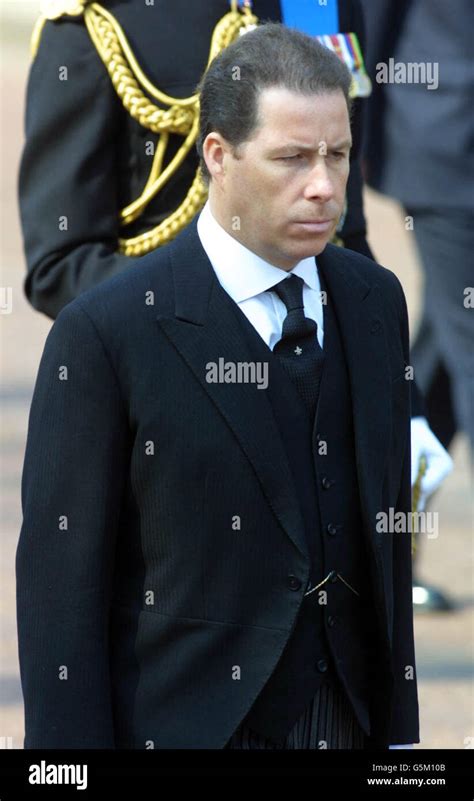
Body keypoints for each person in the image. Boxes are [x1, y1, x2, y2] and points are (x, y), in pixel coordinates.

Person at [16, 23, 419, 750]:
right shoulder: (107, 334)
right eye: (292, 158)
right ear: (218, 157)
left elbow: (382, 545)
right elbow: (60, 592)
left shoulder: (374, 301)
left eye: (338, 154)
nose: (325, 186)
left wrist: (400, 736)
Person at [361, 0, 472, 609]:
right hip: (446, 144)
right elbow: (370, 19)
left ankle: (382, 546)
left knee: (440, 353)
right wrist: (352, 131)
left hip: (444, 138)